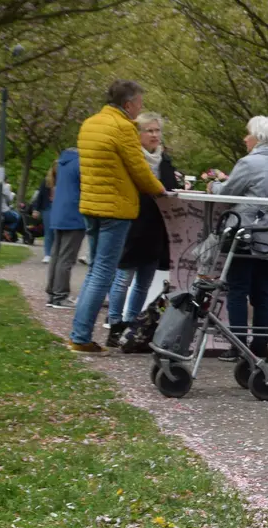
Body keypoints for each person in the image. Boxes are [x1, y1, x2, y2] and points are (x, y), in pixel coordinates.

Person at [68, 80, 167, 353]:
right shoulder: (123, 127)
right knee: (104, 272)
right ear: (128, 104)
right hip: (115, 208)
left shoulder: (90, 124)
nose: (140, 109)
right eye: (139, 104)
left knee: (94, 271)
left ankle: (79, 333)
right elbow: (139, 169)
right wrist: (160, 191)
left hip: (91, 205)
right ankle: (81, 337)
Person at [211, 116, 268, 362]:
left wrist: (213, 185)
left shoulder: (248, 163)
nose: (245, 138)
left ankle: (238, 345)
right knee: (261, 294)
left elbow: (227, 193)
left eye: (248, 134)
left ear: (259, 137)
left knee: (237, 290)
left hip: (245, 235)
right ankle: (260, 347)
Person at [105, 111, 179, 348]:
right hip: (132, 221)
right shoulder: (131, 157)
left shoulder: (165, 160)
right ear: (138, 134)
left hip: (156, 225)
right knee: (123, 278)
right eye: (150, 130)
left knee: (144, 280)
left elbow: (170, 188)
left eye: (157, 130)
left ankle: (131, 323)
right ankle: (114, 323)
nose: (155, 135)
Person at [44, 148, 87, 308]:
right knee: (67, 258)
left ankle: (52, 293)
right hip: (74, 214)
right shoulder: (81, 163)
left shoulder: (62, 163)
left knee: (56, 255)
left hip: (59, 213)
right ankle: (60, 296)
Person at [31, 172, 55, 263]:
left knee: (58, 231)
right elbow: (40, 195)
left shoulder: (65, 180)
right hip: (48, 207)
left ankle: (56, 253)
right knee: (48, 231)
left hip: (60, 207)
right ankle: (47, 254)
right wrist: (36, 209)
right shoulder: (46, 181)